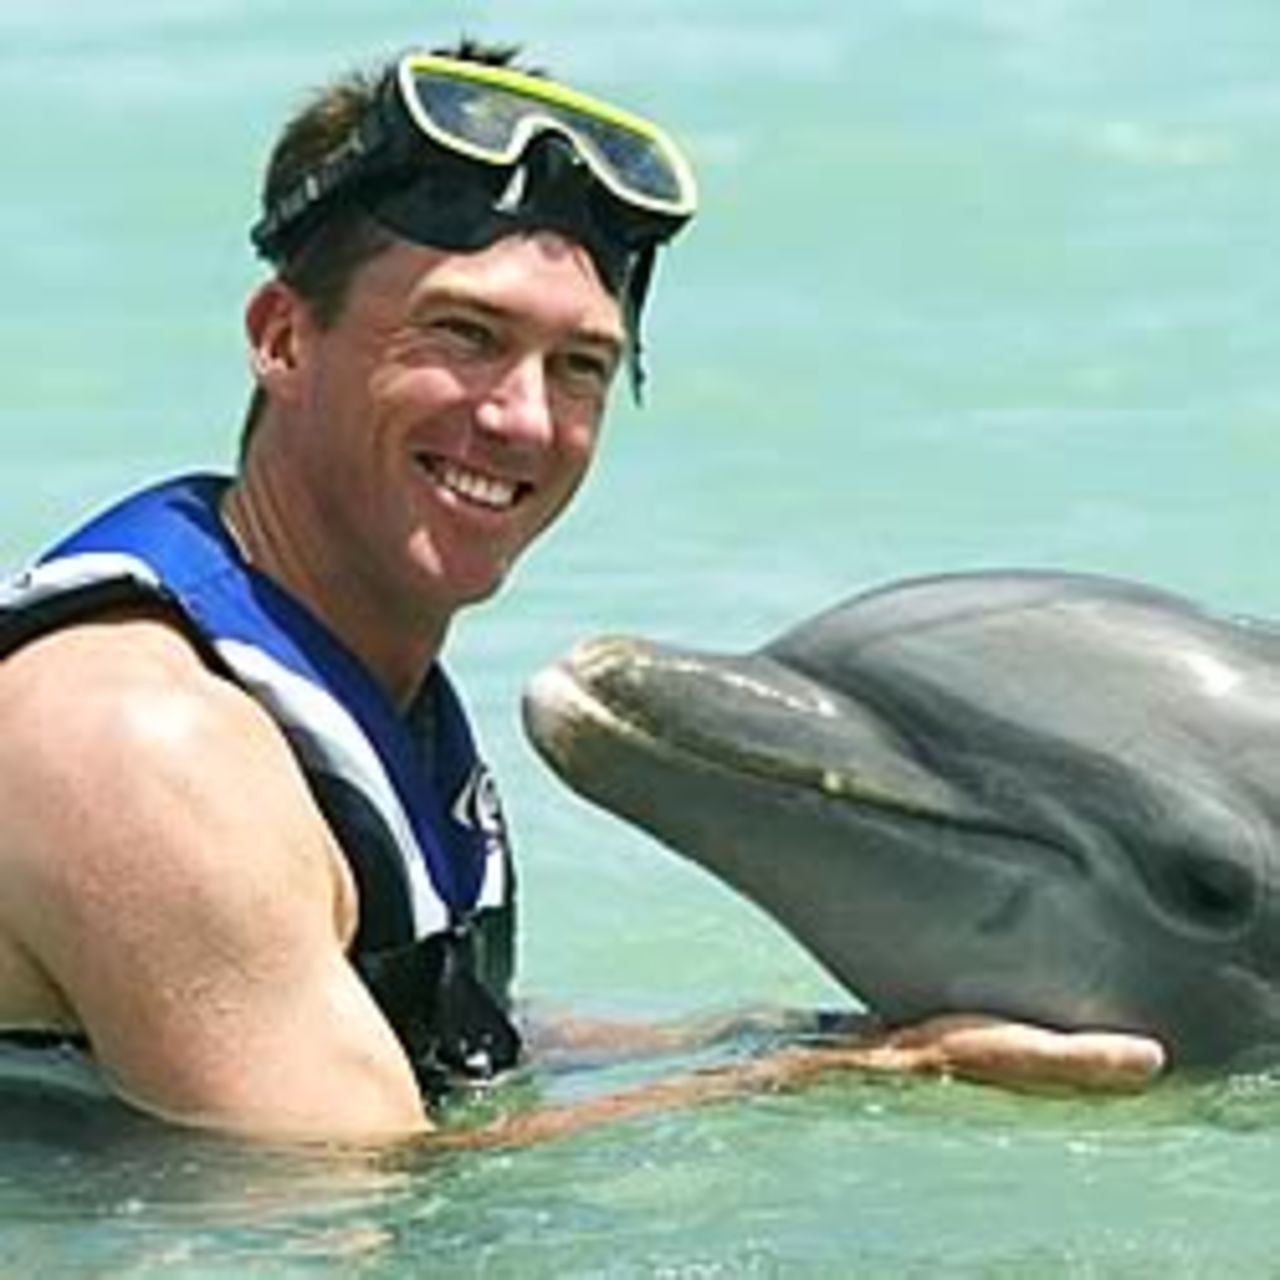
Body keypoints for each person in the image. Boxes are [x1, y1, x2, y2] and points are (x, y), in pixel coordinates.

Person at [0, 39, 1164, 1144]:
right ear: (283, 340)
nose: (521, 419)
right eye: (460, 334)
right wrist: (848, 1081)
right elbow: (335, 1197)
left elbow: (423, 1046)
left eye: (578, 367)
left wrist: (808, 1036)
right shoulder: (146, 742)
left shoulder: (336, 668)